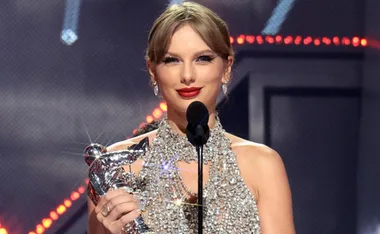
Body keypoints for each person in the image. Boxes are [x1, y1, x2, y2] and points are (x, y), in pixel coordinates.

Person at [87, 1, 295, 233]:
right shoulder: (115, 167)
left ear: (226, 67)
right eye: (172, 60)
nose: (187, 75)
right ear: (152, 70)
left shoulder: (262, 164)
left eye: (202, 58)